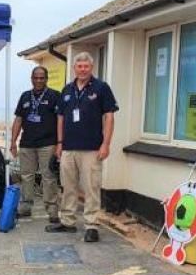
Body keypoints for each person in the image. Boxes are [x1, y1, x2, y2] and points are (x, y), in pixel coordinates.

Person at [48, 52, 118, 243]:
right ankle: (68, 221)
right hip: (68, 148)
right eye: (79, 66)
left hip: (92, 149)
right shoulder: (67, 90)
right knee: (68, 186)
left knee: (91, 188)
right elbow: (60, 118)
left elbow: (110, 117)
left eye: (86, 66)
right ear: (74, 68)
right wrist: (60, 144)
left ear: (91, 67)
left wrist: (106, 144)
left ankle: (92, 225)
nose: (83, 69)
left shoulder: (101, 88)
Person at [10, 66, 60, 223]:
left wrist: (60, 143)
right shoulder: (25, 96)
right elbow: (18, 120)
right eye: (36, 78)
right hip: (27, 143)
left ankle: (52, 210)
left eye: (42, 78)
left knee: (48, 176)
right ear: (31, 78)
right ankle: (25, 207)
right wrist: (13, 141)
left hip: (48, 143)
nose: (39, 80)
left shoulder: (54, 96)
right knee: (26, 176)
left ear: (46, 79)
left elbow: (60, 120)